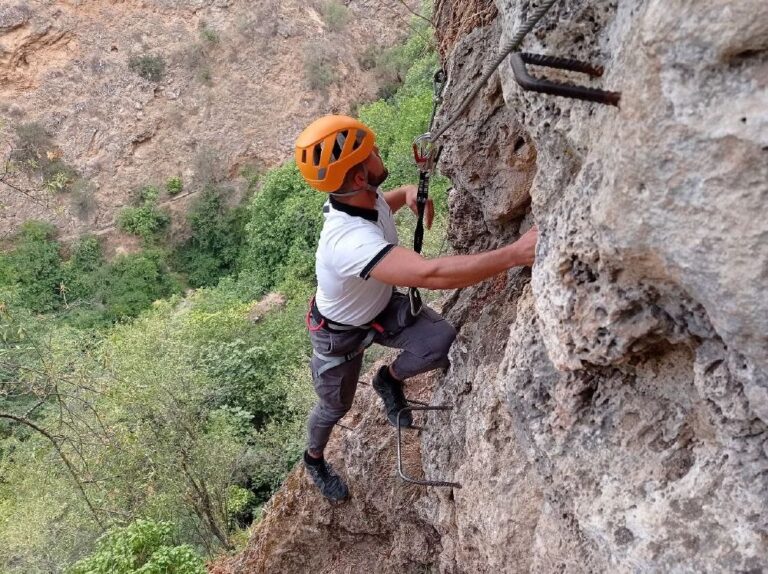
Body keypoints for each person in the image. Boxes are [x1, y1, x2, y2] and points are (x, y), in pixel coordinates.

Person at [295, 115, 537, 501]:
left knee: (439, 341)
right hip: (337, 336)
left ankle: (388, 378)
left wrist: (407, 192)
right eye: (369, 153)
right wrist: (513, 254)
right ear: (358, 177)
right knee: (333, 407)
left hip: (377, 307)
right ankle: (314, 459)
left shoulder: (356, 198)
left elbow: (379, 207)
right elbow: (431, 274)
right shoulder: (348, 243)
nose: (376, 152)